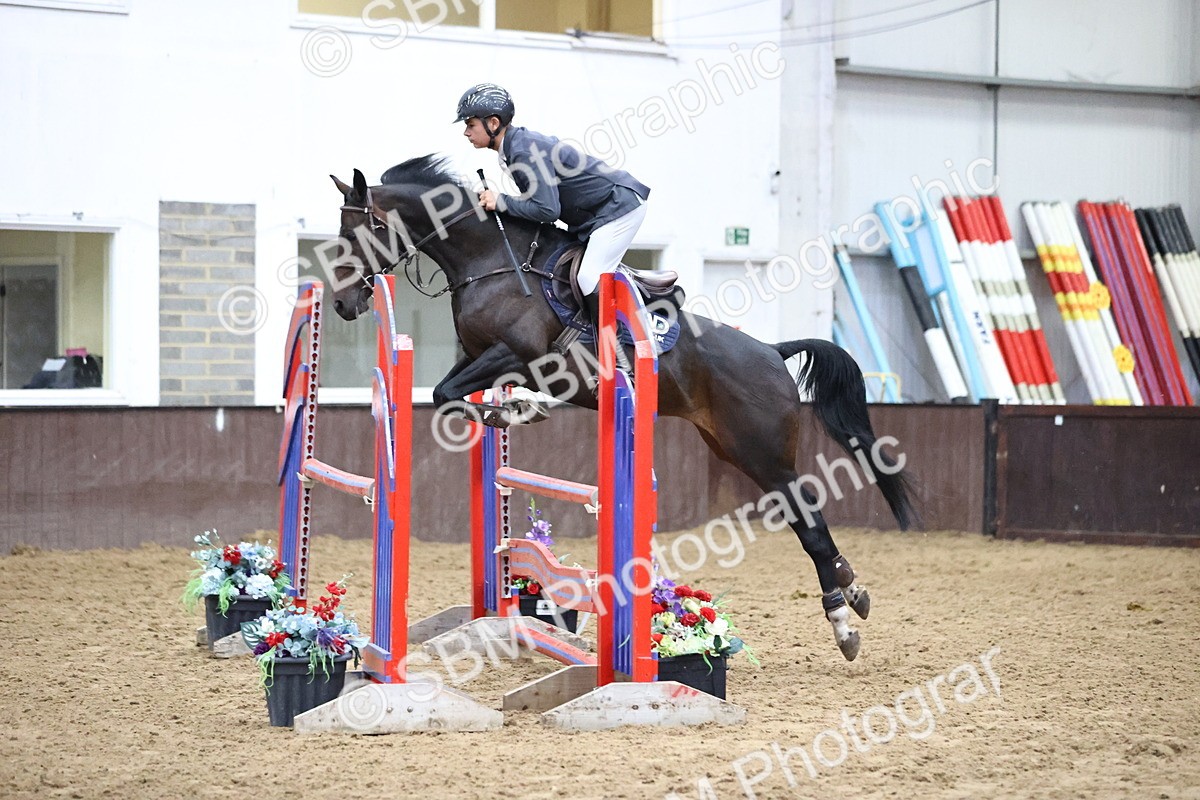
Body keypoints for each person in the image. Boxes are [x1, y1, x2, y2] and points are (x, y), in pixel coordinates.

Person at [455, 82, 652, 336]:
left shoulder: (522, 150)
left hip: (618, 207)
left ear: (493, 123)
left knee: (588, 278)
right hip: (597, 214)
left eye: (470, 125)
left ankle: (617, 349)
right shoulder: (513, 148)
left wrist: (500, 201)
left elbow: (547, 210)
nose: (466, 132)